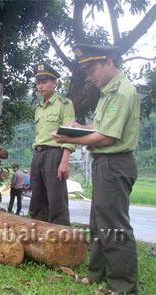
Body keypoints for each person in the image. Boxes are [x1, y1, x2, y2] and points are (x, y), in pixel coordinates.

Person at [52, 44, 139, 294]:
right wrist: (80, 126)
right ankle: (97, 272)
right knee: (99, 223)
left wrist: (70, 139)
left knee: (114, 224)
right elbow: (100, 126)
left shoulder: (121, 92)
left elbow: (107, 137)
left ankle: (122, 285)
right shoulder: (108, 92)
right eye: (87, 72)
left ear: (109, 63)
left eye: (92, 70)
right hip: (105, 164)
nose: (90, 77)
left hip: (115, 163)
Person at [28, 62, 75, 226]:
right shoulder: (38, 108)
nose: (40, 86)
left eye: (44, 82)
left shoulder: (64, 103)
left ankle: (63, 239)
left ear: (54, 83)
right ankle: (38, 240)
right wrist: (33, 163)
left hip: (55, 154)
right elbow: (38, 137)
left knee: (56, 200)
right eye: (38, 83)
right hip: (38, 154)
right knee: (37, 199)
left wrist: (64, 161)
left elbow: (69, 133)